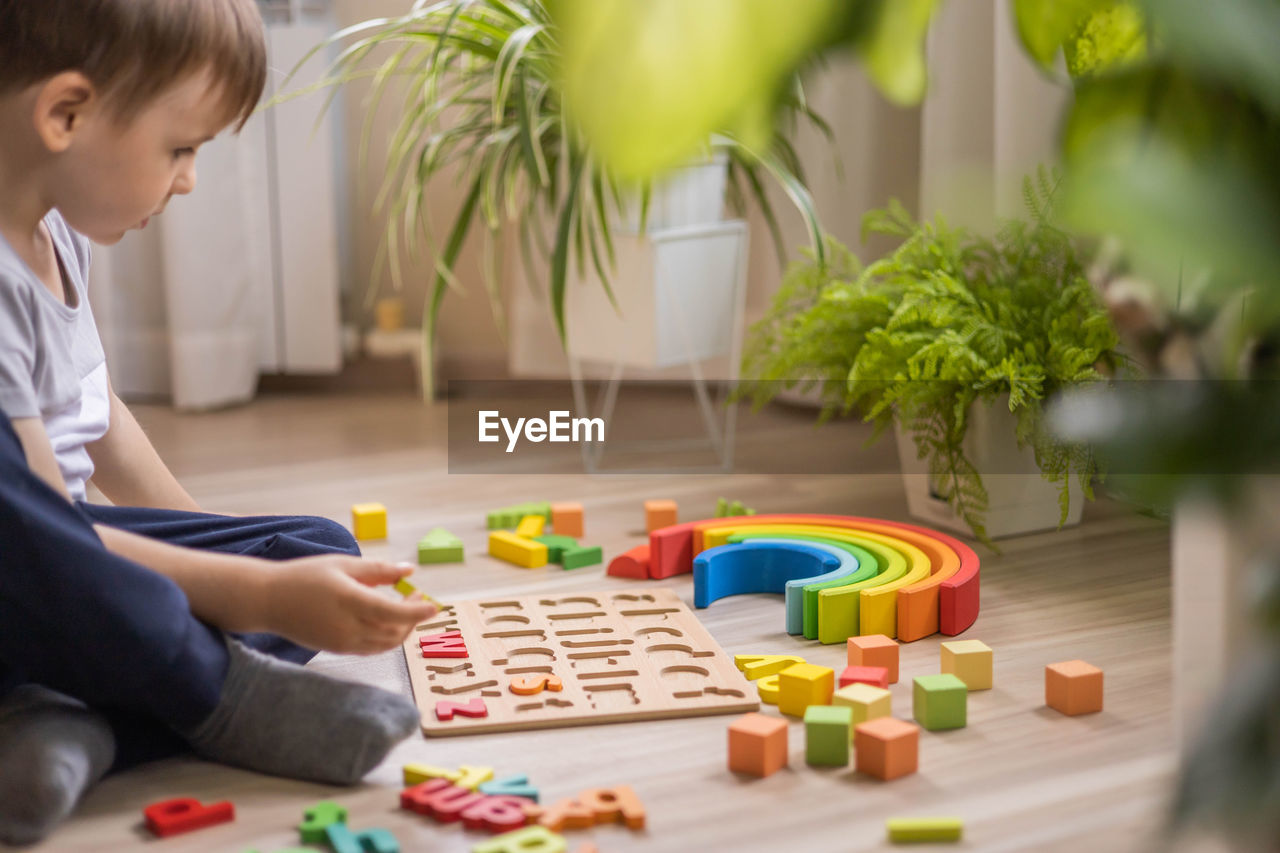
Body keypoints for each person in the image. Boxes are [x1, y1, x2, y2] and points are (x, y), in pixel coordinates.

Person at [0, 0, 437, 844]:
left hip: (75, 560)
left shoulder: (59, 233)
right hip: (33, 576)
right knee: (251, 582)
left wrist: (216, 544)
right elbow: (48, 542)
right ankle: (208, 693)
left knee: (314, 547)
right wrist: (255, 595)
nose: (189, 177)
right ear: (65, 113)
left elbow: (102, 419)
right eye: (180, 148)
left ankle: (65, 720)